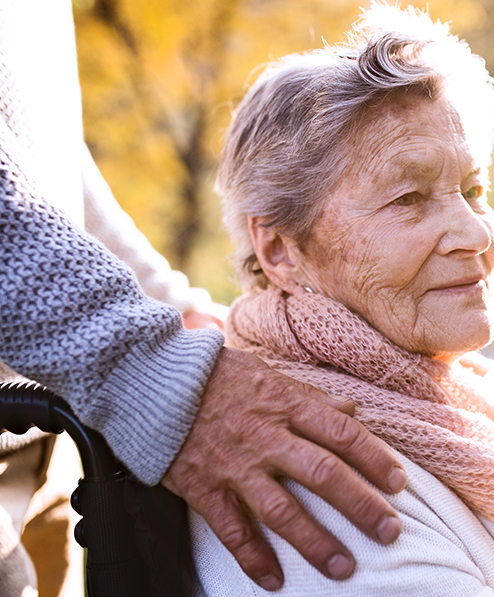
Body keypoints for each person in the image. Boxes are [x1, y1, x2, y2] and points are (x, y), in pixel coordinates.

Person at [190, 4, 494, 596]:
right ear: (279, 249)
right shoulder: (325, 487)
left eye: (473, 189)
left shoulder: (437, 410)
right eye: (408, 198)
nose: (477, 235)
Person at [0, 0, 406, 594]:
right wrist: (137, 362)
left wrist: (159, 297)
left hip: (52, 445)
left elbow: (35, 143)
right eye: (406, 199)